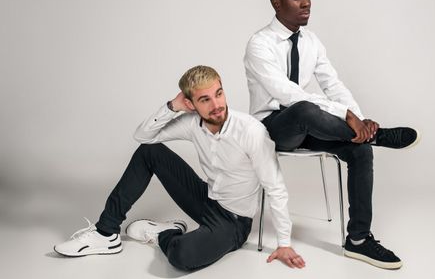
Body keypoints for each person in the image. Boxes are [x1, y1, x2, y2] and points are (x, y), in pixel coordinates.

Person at [243, 0, 420, 270]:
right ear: (276, 1)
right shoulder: (259, 44)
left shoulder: (312, 42)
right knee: (305, 108)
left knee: (360, 149)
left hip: (311, 124)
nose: (306, 2)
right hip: (272, 129)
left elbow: (333, 85)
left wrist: (360, 122)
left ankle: (359, 241)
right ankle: (379, 136)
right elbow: (287, 93)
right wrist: (345, 114)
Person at [54, 65, 305, 270]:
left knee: (182, 256)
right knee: (149, 152)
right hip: (206, 198)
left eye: (219, 93)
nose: (216, 105)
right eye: (205, 99)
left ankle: (165, 234)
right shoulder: (192, 123)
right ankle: (106, 233)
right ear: (191, 103)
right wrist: (171, 107)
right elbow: (144, 137)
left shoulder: (251, 131)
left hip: (233, 222)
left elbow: (275, 187)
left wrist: (284, 243)